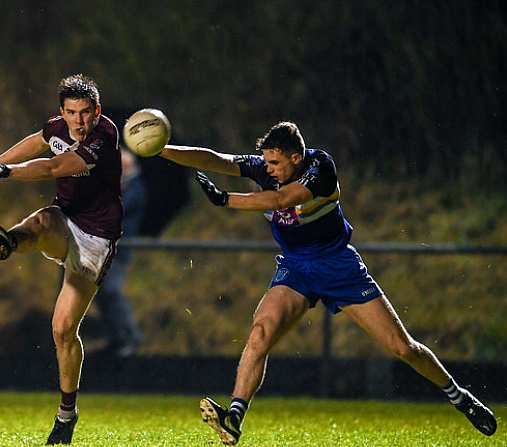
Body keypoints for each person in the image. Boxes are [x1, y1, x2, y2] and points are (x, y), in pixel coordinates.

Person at [158, 121, 497, 445]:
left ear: (295, 157)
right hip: (295, 267)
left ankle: (459, 396)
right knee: (261, 331)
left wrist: (226, 199)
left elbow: (282, 200)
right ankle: (234, 417)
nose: (269, 169)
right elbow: (217, 159)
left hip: (338, 265)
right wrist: (162, 149)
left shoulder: (321, 167)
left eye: (275, 163)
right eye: (266, 162)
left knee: (402, 347)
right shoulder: (267, 167)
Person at [0, 74, 121, 445]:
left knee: (63, 330)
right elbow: (37, 141)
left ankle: (66, 414)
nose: (79, 122)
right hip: (65, 221)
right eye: (72, 113)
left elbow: (53, 167)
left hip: (97, 241)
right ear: (62, 112)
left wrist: (5, 172)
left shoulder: (105, 135)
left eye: (86, 113)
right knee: (43, 221)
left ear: (97, 112)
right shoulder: (57, 126)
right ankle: (8, 241)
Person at [92, 148, 143, 357]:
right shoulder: (118, 187)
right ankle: (117, 337)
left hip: (119, 249)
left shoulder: (136, 188)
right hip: (104, 246)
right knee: (102, 292)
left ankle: (130, 336)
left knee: (111, 290)